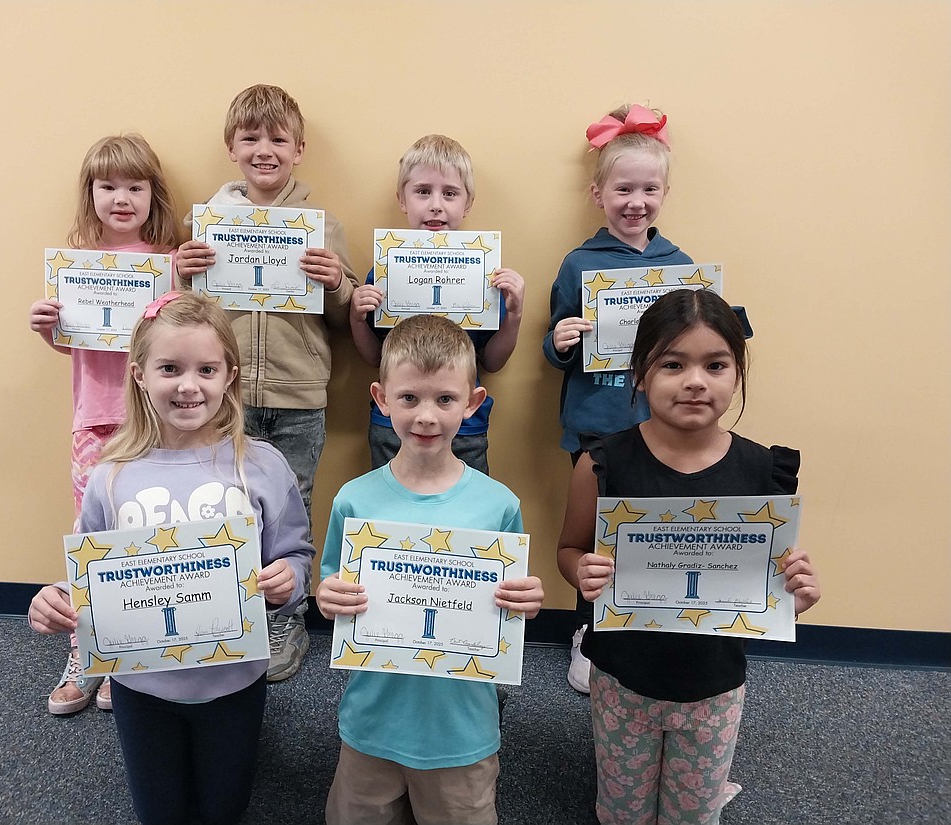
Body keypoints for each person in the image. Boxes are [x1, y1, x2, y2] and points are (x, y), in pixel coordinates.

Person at [28, 291, 314, 825]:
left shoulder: (264, 466)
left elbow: (296, 554)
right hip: (141, 687)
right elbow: (88, 579)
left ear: (230, 374)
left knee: (224, 807)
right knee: (159, 810)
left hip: (235, 681)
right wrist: (55, 602)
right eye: (169, 368)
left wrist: (288, 579)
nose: (189, 385)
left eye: (206, 368)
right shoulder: (110, 475)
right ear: (138, 375)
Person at [556, 288, 821, 825]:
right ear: (640, 374)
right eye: (673, 364)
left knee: (693, 813)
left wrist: (800, 594)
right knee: (622, 811)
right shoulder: (600, 463)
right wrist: (578, 571)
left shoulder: (764, 474)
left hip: (713, 687)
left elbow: (772, 590)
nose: (696, 380)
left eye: (715, 364)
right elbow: (569, 549)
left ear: (737, 374)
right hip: (621, 680)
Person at [317, 314, 545, 824]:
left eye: (445, 399)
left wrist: (526, 603)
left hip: (461, 732)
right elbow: (335, 590)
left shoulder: (499, 505)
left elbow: (507, 610)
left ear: (472, 403)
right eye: (409, 398)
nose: (426, 416)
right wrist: (330, 597)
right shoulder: (354, 500)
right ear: (380, 400)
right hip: (371, 723)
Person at [176, 84, 358, 682]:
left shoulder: (321, 227)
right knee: (223, 507)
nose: (264, 149)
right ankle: (224, 612)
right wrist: (181, 274)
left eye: (277, 138)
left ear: (299, 149)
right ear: (231, 146)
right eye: (250, 137)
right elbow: (184, 318)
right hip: (224, 397)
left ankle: (287, 621)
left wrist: (338, 284)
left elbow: (345, 318)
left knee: (292, 510)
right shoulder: (204, 226)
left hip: (300, 395)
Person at [542, 104, 692, 694]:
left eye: (649, 189)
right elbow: (553, 348)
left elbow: (692, 350)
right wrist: (560, 341)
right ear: (598, 193)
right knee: (595, 536)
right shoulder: (580, 262)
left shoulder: (680, 267)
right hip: (595, 427)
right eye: (623, 188)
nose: (637, 201)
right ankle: (589, 632)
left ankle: (645, 628)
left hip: (660, 429)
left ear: (665, 192)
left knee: (650, 531)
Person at [29, 133, 181, 714]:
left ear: (152, 195)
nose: (122, 198)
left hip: (157, 422)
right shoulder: (74, 268)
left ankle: (130, 655)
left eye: (135, 187)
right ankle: (84, 653)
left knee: (147, 537)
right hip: (94, 424)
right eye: (108, 186)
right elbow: (79, 348)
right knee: (94, 540)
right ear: (90, 194)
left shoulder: (167, 265)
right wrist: (49, 327)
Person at [349, 134, 525, 473]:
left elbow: (492, 361)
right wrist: (357, 319)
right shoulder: (385, 269)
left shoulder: (484, 273)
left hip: (465, 424)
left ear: (467, 203)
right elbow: (373, 357)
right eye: (422, 191)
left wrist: (514, 314)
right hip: (394, 423)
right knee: (391, 519)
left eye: (450, 193)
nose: (435, 204)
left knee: (464, 517)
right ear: (402, 199)